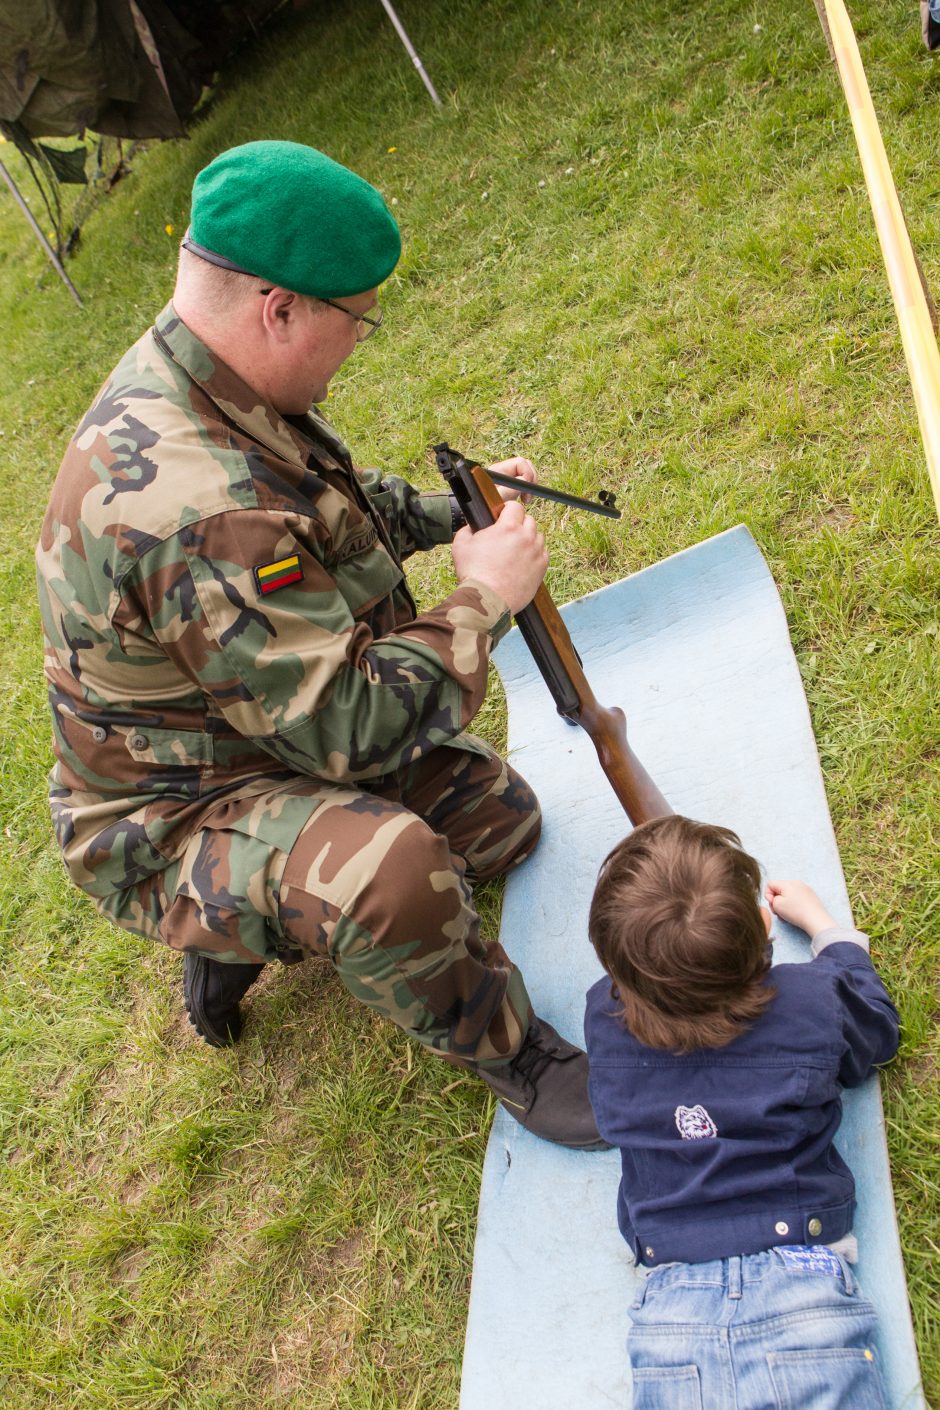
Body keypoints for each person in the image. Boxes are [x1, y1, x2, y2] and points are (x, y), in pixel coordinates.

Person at [36, 139, 606, 1151]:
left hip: (257, 725)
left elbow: (326, 513)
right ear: (279, 308)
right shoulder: (192, 502)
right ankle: (504, 1050)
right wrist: (482, 597)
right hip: (172, 811)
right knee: (394, 874)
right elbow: (346, 728)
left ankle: (261, 913)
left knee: (502, 824)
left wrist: (449, 515)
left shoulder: (210, 376)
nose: (359, 341)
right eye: (355, 317)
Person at [583, 814, 899, 1409]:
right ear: (763, 925)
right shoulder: (811, 1001)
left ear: (613, 971)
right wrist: (829, 932)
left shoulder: (602, 1017)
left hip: (669, 1312)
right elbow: (875, 1035)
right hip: (807, 1297)